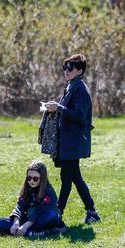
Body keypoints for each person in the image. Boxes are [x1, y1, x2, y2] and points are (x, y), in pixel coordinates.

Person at [43, 54, 101, 224]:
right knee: (74, 177)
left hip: (73, 141)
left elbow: (80, 115)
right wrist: (55, 108)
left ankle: (58, 212)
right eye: (65, 67)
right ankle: (92, 211)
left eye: (71, 68)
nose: (66, 71)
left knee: (67, 178)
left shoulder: (80, 89)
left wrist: (59, 108)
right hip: (67, 140)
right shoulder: (71, 86)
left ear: (80, 71)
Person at [0, 161, 62, 238]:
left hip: (42, 219)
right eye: (29, 178)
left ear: (42, 178)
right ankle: (33, 233)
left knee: (52, 215)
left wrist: (25, 226)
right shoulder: (27, 188)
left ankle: (25, 231)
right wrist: (16, 222)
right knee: (1, 221)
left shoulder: (49, 191)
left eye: (35, 178)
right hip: (29, 218)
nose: (31, 181)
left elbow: (41, 211)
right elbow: (19, 206)